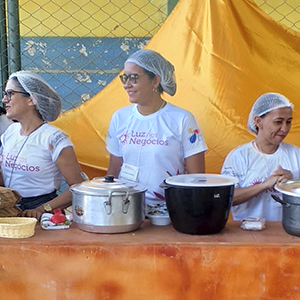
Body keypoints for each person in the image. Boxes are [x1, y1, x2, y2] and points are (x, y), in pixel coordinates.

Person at [106, 49, 207, 207]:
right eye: (124, 78)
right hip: (126, 210)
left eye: (134, 78)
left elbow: (197, 177)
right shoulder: (120, 118)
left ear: (155, 81)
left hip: (168, 211)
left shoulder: (182, 119)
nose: (127, 85)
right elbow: (113, 170)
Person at [0, 71, 83, 220]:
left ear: (31, 99)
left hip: (42, 212)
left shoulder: (54, 139)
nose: (4, 100)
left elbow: (78, 187)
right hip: (9, 208)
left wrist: (43, 209)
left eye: (10, 94)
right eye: (5, 94)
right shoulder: (10, 132)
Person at [221, 92, 300, 221]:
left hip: (285, 232)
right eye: (278, 122)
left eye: (289, 122)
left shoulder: (295, 154)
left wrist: (292, 184)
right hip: (247, 233)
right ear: (258, 122)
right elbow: (226, 199)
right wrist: (264, 185)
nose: (284, 129)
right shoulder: (239, 157)